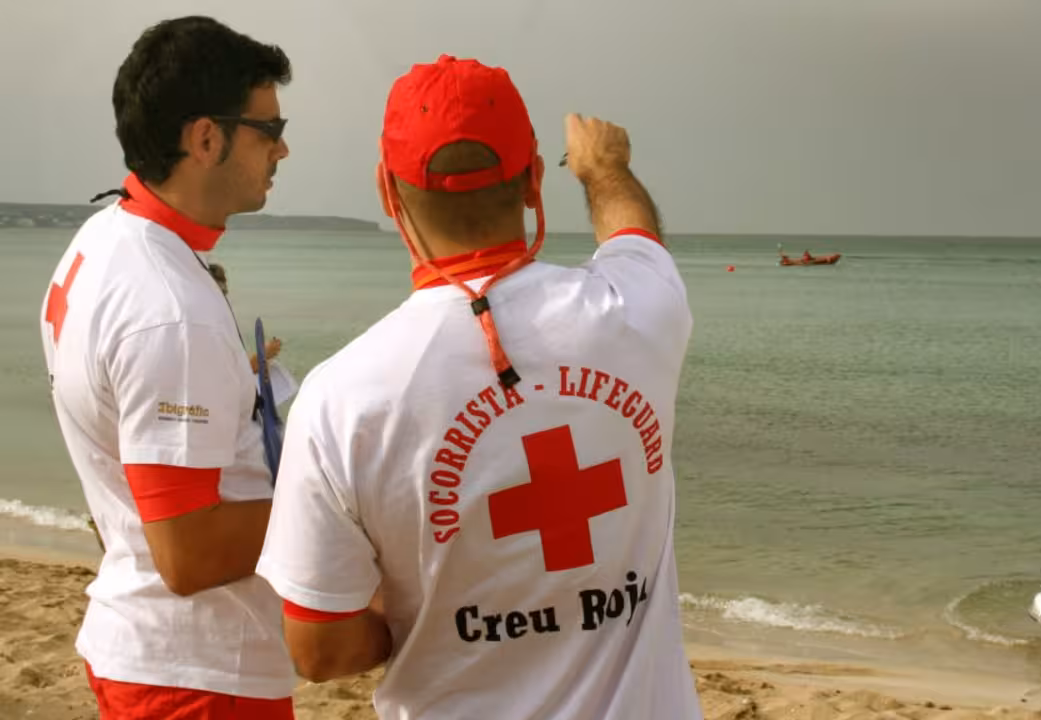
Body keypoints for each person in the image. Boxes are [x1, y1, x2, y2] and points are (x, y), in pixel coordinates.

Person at [254, 55, 702, 719]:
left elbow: (319, 651)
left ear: (386, 192)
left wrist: (426, 620)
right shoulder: (637, 313)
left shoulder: (341, 398)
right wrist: (604, 168)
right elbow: (632, 234)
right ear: (533, 180)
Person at [38, 16, 297, 718]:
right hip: (197, 675)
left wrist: (231, 385)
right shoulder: (168, 309)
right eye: (268, 129)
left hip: (148, 648)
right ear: (206, 138)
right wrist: (338, 506)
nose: (283, 148)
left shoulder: (104, 239)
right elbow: (188, 553)